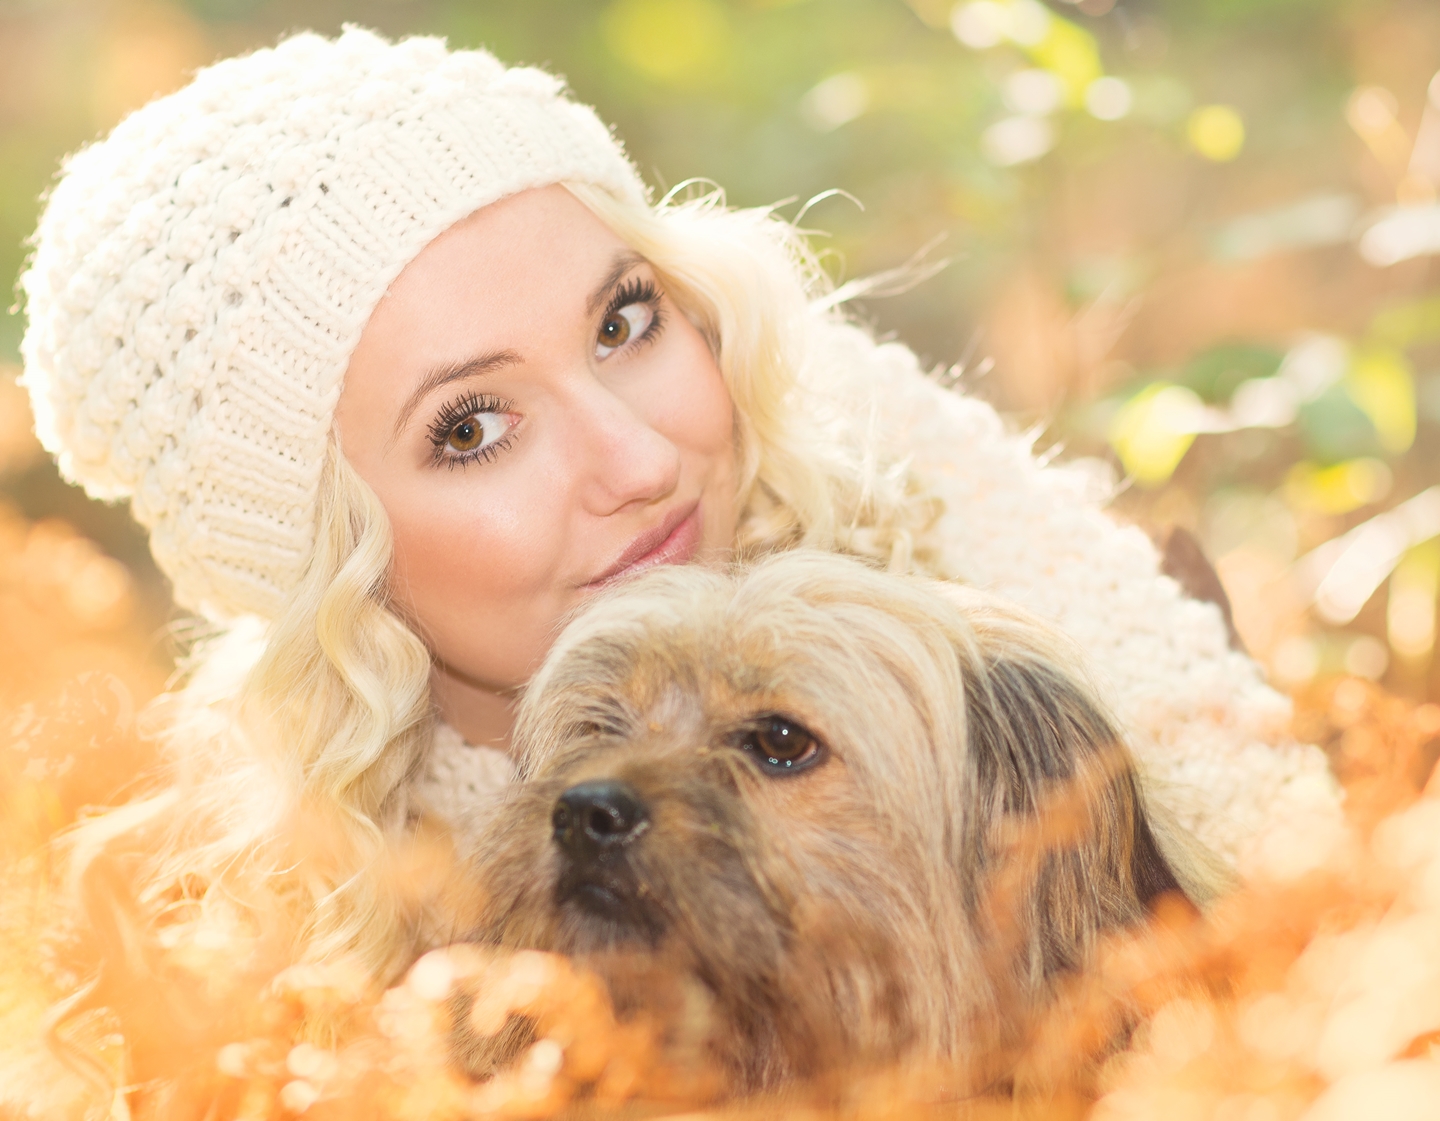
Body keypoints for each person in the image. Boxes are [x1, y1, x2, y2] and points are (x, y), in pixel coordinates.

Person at [20, 24, 1340, 1099]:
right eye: (471, 427)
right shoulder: (229, 973)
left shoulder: (1007, 679)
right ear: (330, 567)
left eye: (624, 318)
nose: (637, 454)